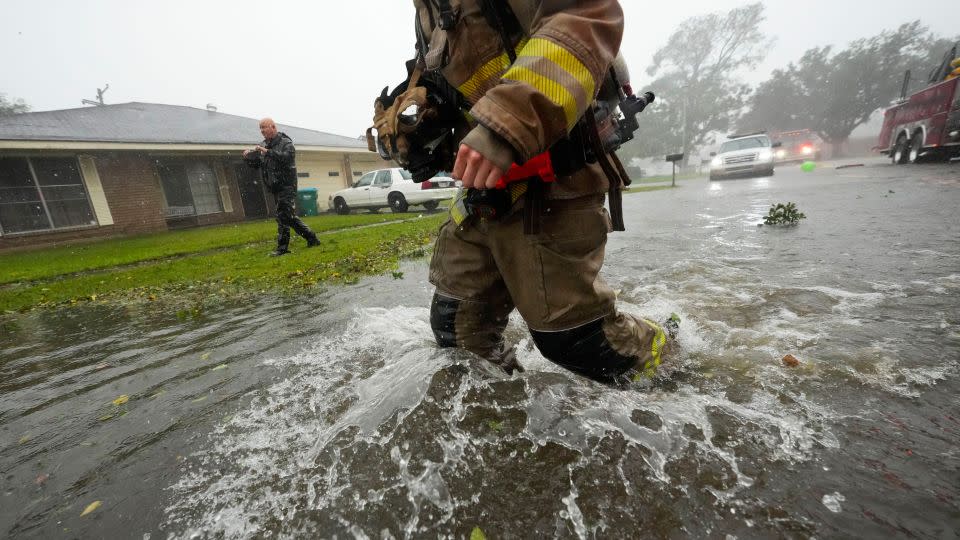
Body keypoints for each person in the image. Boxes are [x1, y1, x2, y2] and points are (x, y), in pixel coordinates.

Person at [380, 0, 676, 382]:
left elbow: (586, 17)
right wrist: (426, 134)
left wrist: (505, 125)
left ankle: (669, 353)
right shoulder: (428, 12)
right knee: (456, 329)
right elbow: (465, 86)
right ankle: (509, 414)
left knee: (575, 340)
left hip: (555, 176)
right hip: (485, 191)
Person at [243, 118, 319, 256]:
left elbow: (287, 158)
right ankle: (311, 238)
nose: (262, 131)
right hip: (275, 187)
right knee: (288, 217)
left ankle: (282, 248)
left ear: (273, 127)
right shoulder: (264, 145)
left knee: (282, 216)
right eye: (260, 128)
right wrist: (248, 158)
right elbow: (258, 164)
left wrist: (268, 152)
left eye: (264, 127)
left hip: (287, 185)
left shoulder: (286, 142)